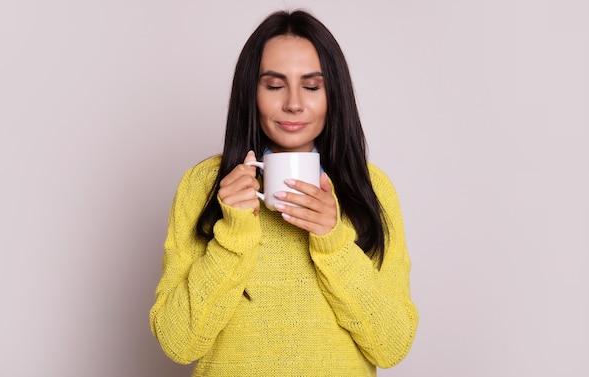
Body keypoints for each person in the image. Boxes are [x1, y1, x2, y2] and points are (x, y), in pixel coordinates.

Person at [150, 9, 418, 376]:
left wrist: (334, 242)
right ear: (251, 92)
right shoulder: (204, 185)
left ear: (333, 94)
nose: (293, 103)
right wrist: (233, 233)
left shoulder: (370, 188)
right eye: (274, 85)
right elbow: (178, 343)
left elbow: (391, 346)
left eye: (311, 86)